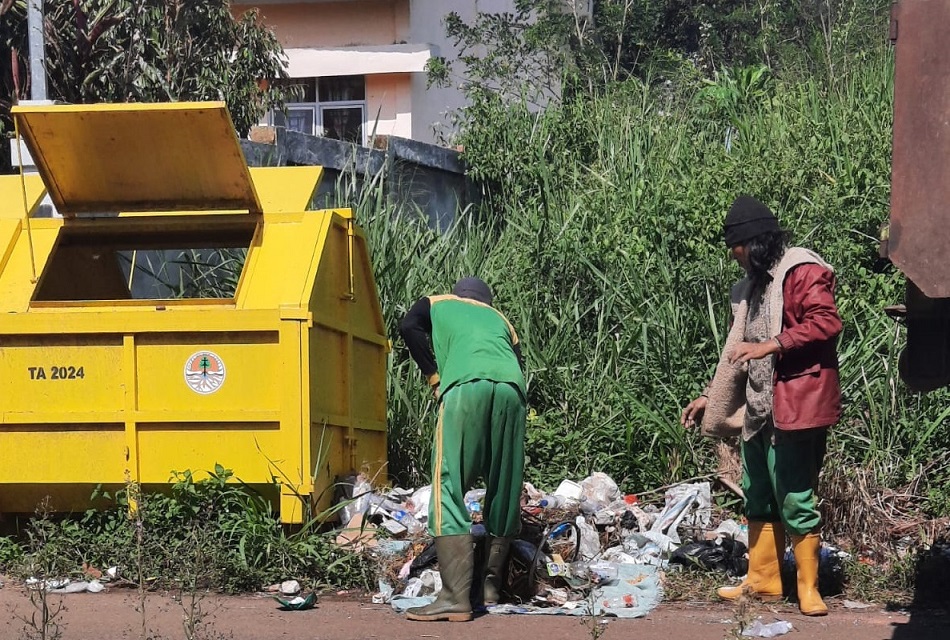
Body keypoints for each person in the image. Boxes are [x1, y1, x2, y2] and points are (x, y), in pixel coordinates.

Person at [681, 196, 842, 617]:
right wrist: (707, 396)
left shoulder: (802, 270)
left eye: (736, 249)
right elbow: (738, 352)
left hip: (793, 405)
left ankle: (809, 588)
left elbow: (826, 321)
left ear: (753, 243)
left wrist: (774, 343)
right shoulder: (753, 288)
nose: (734, 259)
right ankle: (765, 580)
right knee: (759, 495)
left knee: (794, 496)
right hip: (758, 409)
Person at [399, 277, 527, 622]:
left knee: (449, 483)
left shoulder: (437, 302)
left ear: (459, 295)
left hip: (465, 386)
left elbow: (408, 326)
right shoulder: (502, 319)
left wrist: (434, 375)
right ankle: (488, 588)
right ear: (486, 300)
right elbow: (516, 359)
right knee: (504, 483)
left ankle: (455, 598)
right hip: (512, 391)